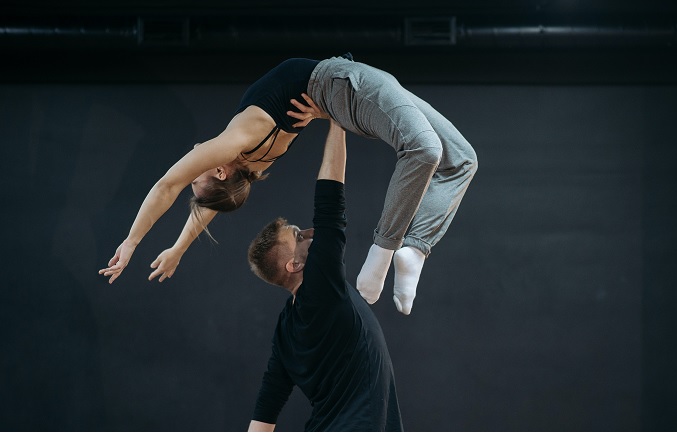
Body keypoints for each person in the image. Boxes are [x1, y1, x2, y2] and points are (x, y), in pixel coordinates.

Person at [99, 52, 477, 315]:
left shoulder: (255, 160)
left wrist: (179, 248)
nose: (194, 159)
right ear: (218, 170)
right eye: (198, 175)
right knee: (424, 150)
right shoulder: (236, 142)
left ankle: (416, 247)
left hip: (345, 89)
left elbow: (211, 205)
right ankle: (384, 253)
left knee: (461, 159)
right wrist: (132, 241)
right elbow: (168, 185)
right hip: (343, 84)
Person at [246, 117, 402, 431]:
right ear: (295, 265)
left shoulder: (286, 327)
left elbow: (269, 400)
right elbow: (330, 201)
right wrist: (337, 119)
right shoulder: (321, 289)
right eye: (296, 236)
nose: (304, 234)